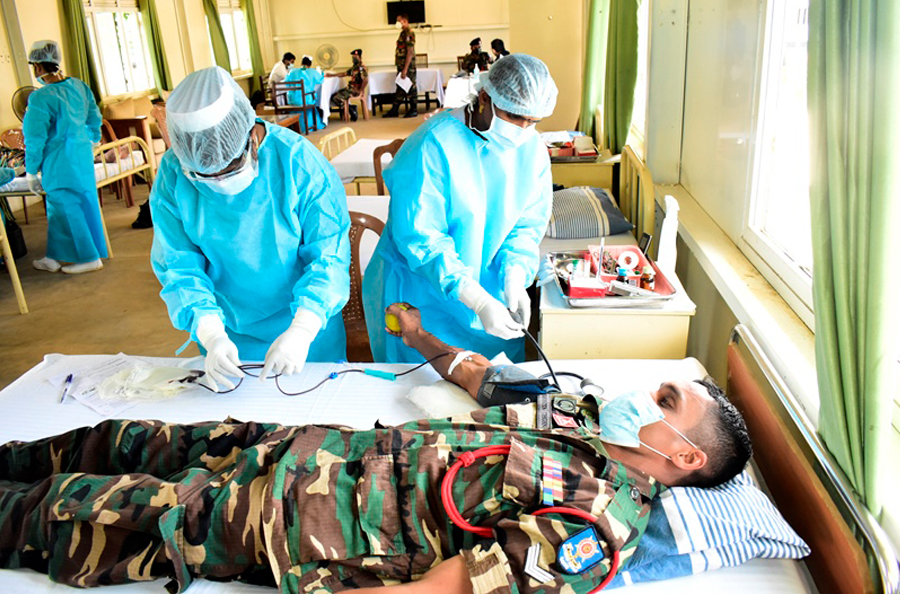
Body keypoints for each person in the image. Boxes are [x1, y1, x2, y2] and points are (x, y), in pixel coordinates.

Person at [0, 302, 752, 593]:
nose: (643, 396)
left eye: (665, 401)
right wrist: (422, 336)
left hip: (296, 523)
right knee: (124, 439)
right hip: (306, 446)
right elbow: (485, 384)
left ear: (686, 457)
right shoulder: (584, 416)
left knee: (75, 514)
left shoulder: (594, 529)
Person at [150, 67, 350, 391]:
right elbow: (178, 264)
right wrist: (211, 332)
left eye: (230, 167)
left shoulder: (299, 166)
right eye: (205, 176)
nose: (220, 183)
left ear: (251, 134)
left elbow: (329, 258)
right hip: (228, 333)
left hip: (307, 333)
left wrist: (302, 329)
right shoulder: (175, 175)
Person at [363, 54, 558, 364]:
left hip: (490, 293)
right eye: (513, 116)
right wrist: (476, 299)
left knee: (492, 387)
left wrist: (514, 274)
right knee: (420, 390)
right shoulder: (432, 145)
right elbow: (422, 238)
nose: (523, 130)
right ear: (484, 98)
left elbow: (525, 226)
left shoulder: (531, 150)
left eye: (532, 121)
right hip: (423, 294)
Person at [22, 40, 107, 275]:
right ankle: (55, 256)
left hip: (59, 161)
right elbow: (94, 116)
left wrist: (31, 170)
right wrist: (92, 138)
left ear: (38, 67)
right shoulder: (79, 86)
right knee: (84, 202)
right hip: (81, 156)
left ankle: (89, 258)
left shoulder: (40, 98)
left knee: (64, 206)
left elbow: (34, 137)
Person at [383, 14, 418, 118]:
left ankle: (413, 109)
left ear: (404, 21)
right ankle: (395, 109)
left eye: (398, 20)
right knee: (400, 86)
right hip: (402, 66)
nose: (397, 23)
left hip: (408, 67)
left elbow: (410, 52)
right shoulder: (403, 33)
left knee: (410, 87)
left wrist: (405, 69)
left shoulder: (409, 33)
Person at [326, 48, 368, 121]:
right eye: (353, 57)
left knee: (337, 98)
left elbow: (365, 80)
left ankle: (350, 110)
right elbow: (344, 74)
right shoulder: (354, 67)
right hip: (350, 88)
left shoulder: (361, 67)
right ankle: (352, 108)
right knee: (333, 96)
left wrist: (359, 90)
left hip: (354, 90)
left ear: (360, 57)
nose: (353, 59)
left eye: (355, 57)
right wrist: (332, 75)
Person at [284, 55, 325, 131]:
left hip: (293, 100)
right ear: (310, 64)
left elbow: (286, 82)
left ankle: (294, 126)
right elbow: (320, 80)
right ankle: (309, 126)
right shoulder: (312, 71)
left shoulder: (292, 71)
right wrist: (321, 72)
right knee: (311, 100)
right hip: (306, 99)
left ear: (301, 63)